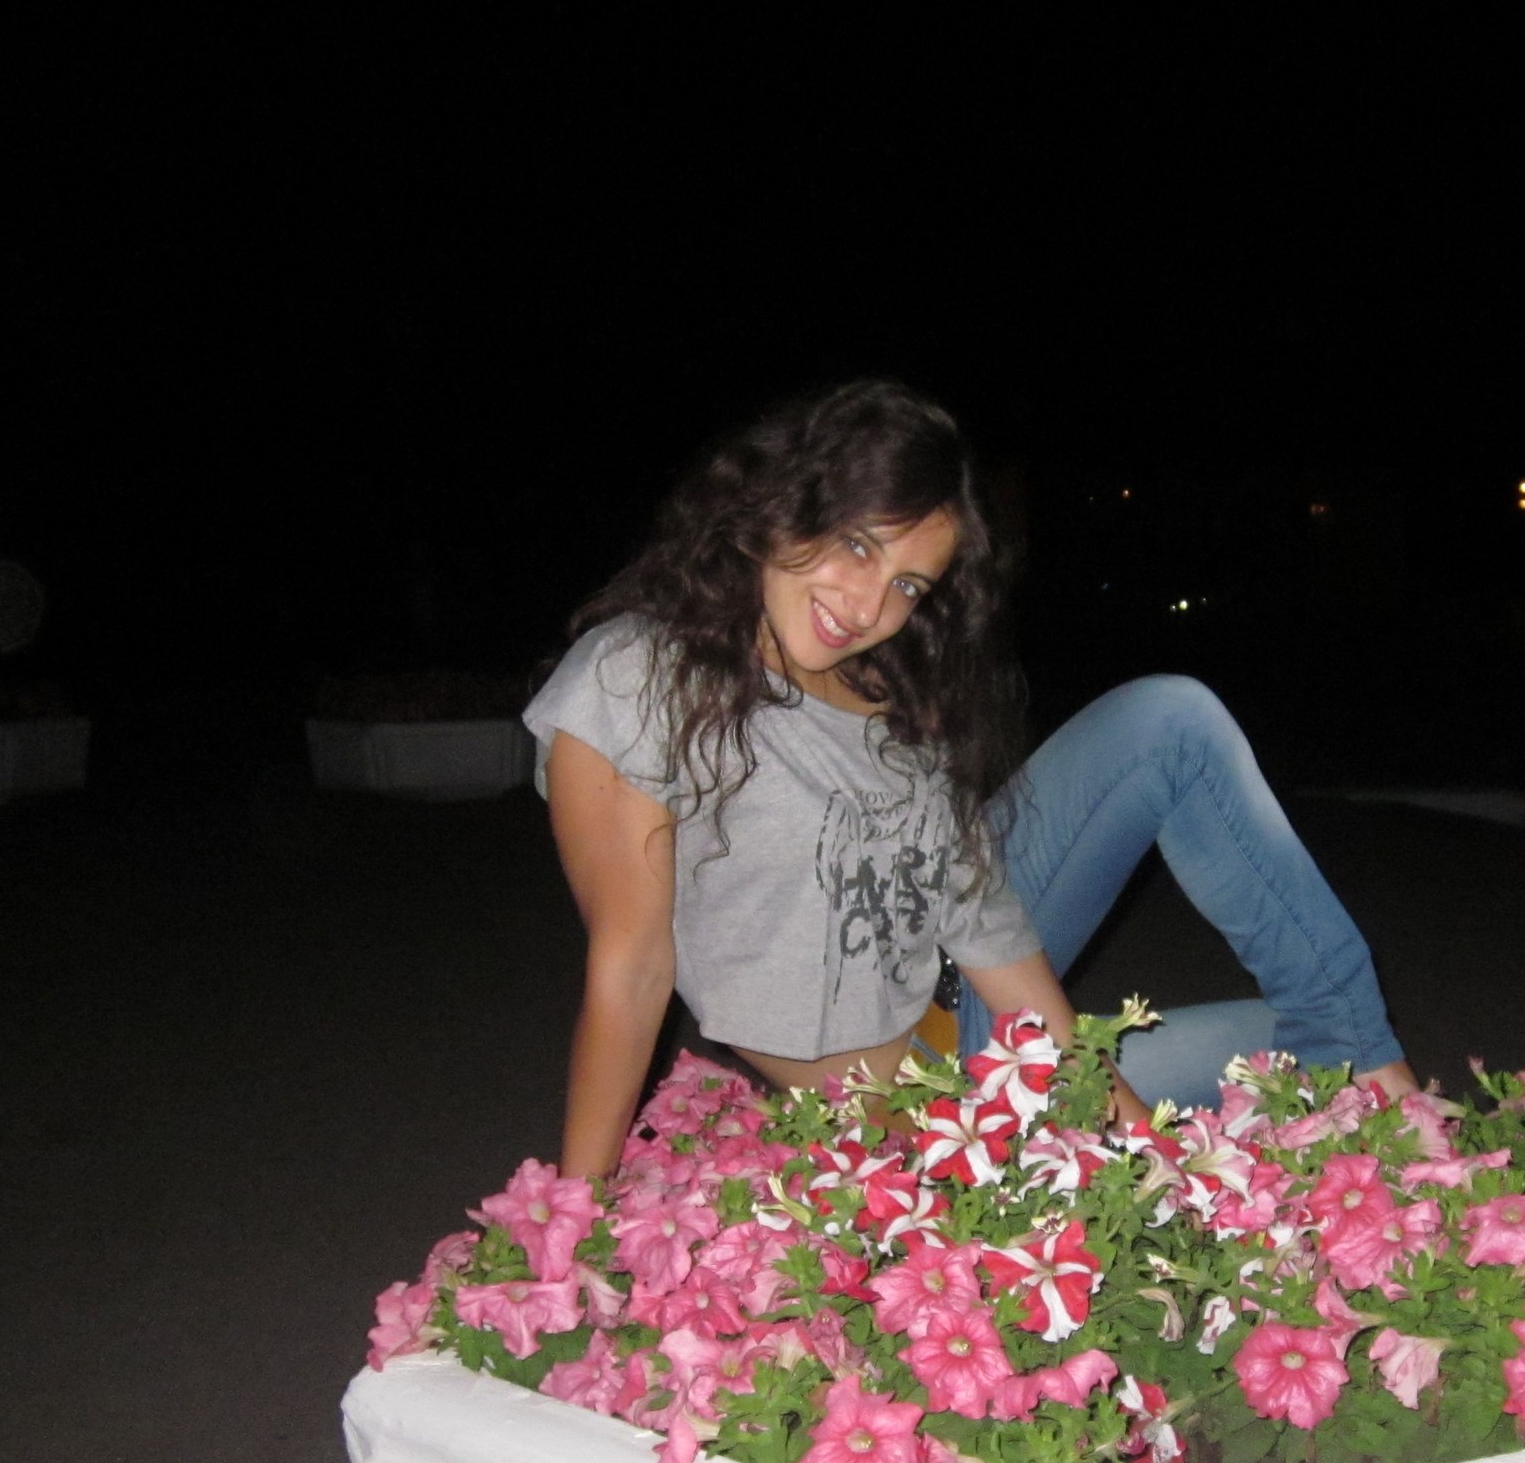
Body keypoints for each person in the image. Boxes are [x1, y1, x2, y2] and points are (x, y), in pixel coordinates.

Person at [524, 378, 1418, 1181]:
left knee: (1319, 1048)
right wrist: (575, 1215)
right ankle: (1373, 1083)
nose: (870, 608)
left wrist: (1140, 1146)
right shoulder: (644, 674)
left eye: (909, 586)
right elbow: (633, 967)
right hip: (930, 1116)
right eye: (857, 546)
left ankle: (1380, 1076)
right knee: (1174, 731)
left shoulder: (882, 705)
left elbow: (992, 939)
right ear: (781, 504)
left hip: (992, 1040)